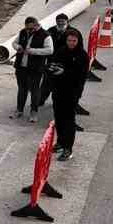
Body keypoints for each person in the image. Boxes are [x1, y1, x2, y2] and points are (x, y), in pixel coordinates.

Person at [47, 27, 89, 161]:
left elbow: (80, 76)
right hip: (58, 91)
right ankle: (60, 142)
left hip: (72, 93)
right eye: (69, 40)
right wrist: (51, 69)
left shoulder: (82, 55)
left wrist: (64, 72)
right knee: (58, 118)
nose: (71, 43)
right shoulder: (61, 51)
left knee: (69, 121)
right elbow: (53, 65)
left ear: (78, 41)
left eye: (74, 40)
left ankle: (68, 148)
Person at [10, 16, 53, 120]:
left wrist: (33, 51)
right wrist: (18, 47)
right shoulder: (23, 32)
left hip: (35, 68)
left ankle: (34, 112)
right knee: (22, 89)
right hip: (21, 67)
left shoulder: (45, 35)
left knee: (34, 90)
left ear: (37, 25)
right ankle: (19, 110)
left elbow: (50, 50)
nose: (28, 31)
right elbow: (14, 43)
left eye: (31, 28)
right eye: (27, 28)